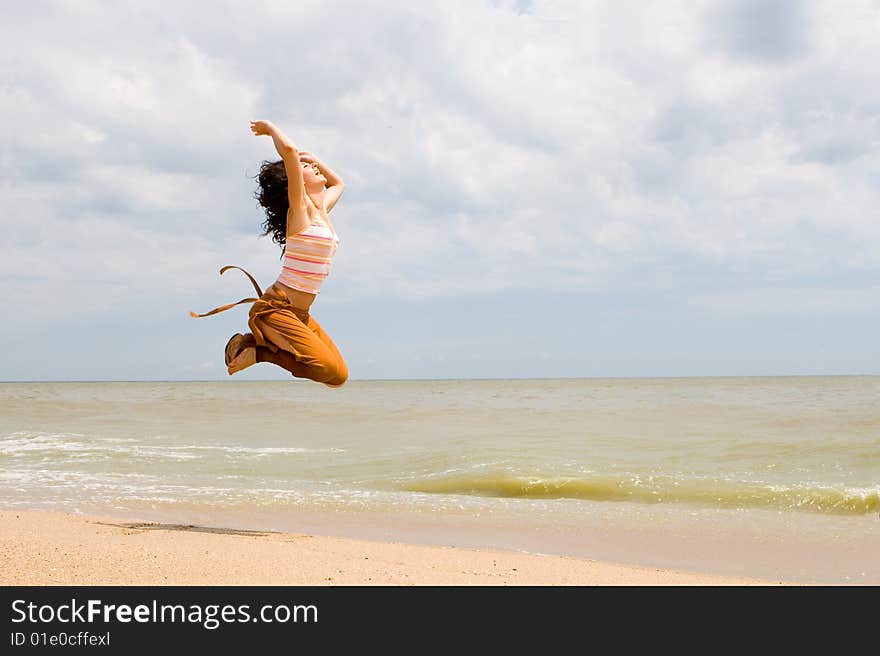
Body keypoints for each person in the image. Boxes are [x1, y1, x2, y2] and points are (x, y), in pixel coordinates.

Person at [189, 119, 348, 388]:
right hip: (276, 309)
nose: (314, 167)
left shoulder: (320, 213)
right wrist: (271, 129)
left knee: (338, 377)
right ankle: (259, 352)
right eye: (306, 168)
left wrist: (316, 159)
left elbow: (339, 184)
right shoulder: (299, 211)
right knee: (324, 368)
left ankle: (254, 343)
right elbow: (288, 151)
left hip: (300, 314)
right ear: (294, 180)